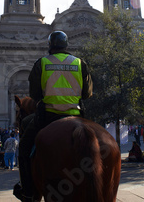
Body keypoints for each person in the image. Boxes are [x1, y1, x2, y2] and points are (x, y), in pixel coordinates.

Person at [13, 31, 93, 202]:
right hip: (76, 115)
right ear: (66, 45)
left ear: (50, 46)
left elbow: (34, 94)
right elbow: (87, 94)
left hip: (48, 116)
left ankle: (27, 191)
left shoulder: (42, 63)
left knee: (24, 148)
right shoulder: (80, 63)